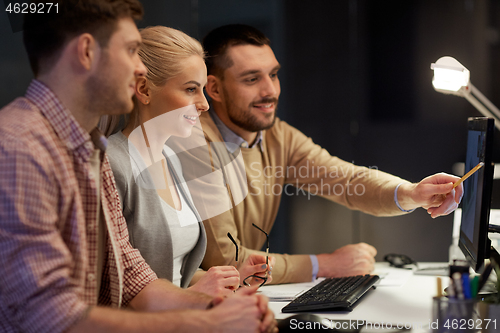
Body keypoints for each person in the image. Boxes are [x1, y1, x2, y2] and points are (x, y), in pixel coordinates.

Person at [0, 3, 275, 332]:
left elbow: (132, 278)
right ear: (86, 52)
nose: (140, 69)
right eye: (131, 50)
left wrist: (224, 306)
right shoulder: (19, 148)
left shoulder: (89, 149)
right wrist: (206, 321)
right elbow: (48, 314)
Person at [168, 24, 464, 285]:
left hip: (244, 294)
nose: (270, 91)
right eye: (251, 79)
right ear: (215, 89)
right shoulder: (193, 140)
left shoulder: (276, 136)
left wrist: (412, 193)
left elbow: (347, 180)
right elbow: (228, 261)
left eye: (273, 74)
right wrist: (325, 265)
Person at [102, 25, 273, 297]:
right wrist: (194, 296)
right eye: (191, 89)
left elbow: (175, 272)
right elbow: (114, 285)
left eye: (203, 89)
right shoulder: (111, 165)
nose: (204, 104)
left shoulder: (170, 158)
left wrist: (232, 278)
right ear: (144, 89)